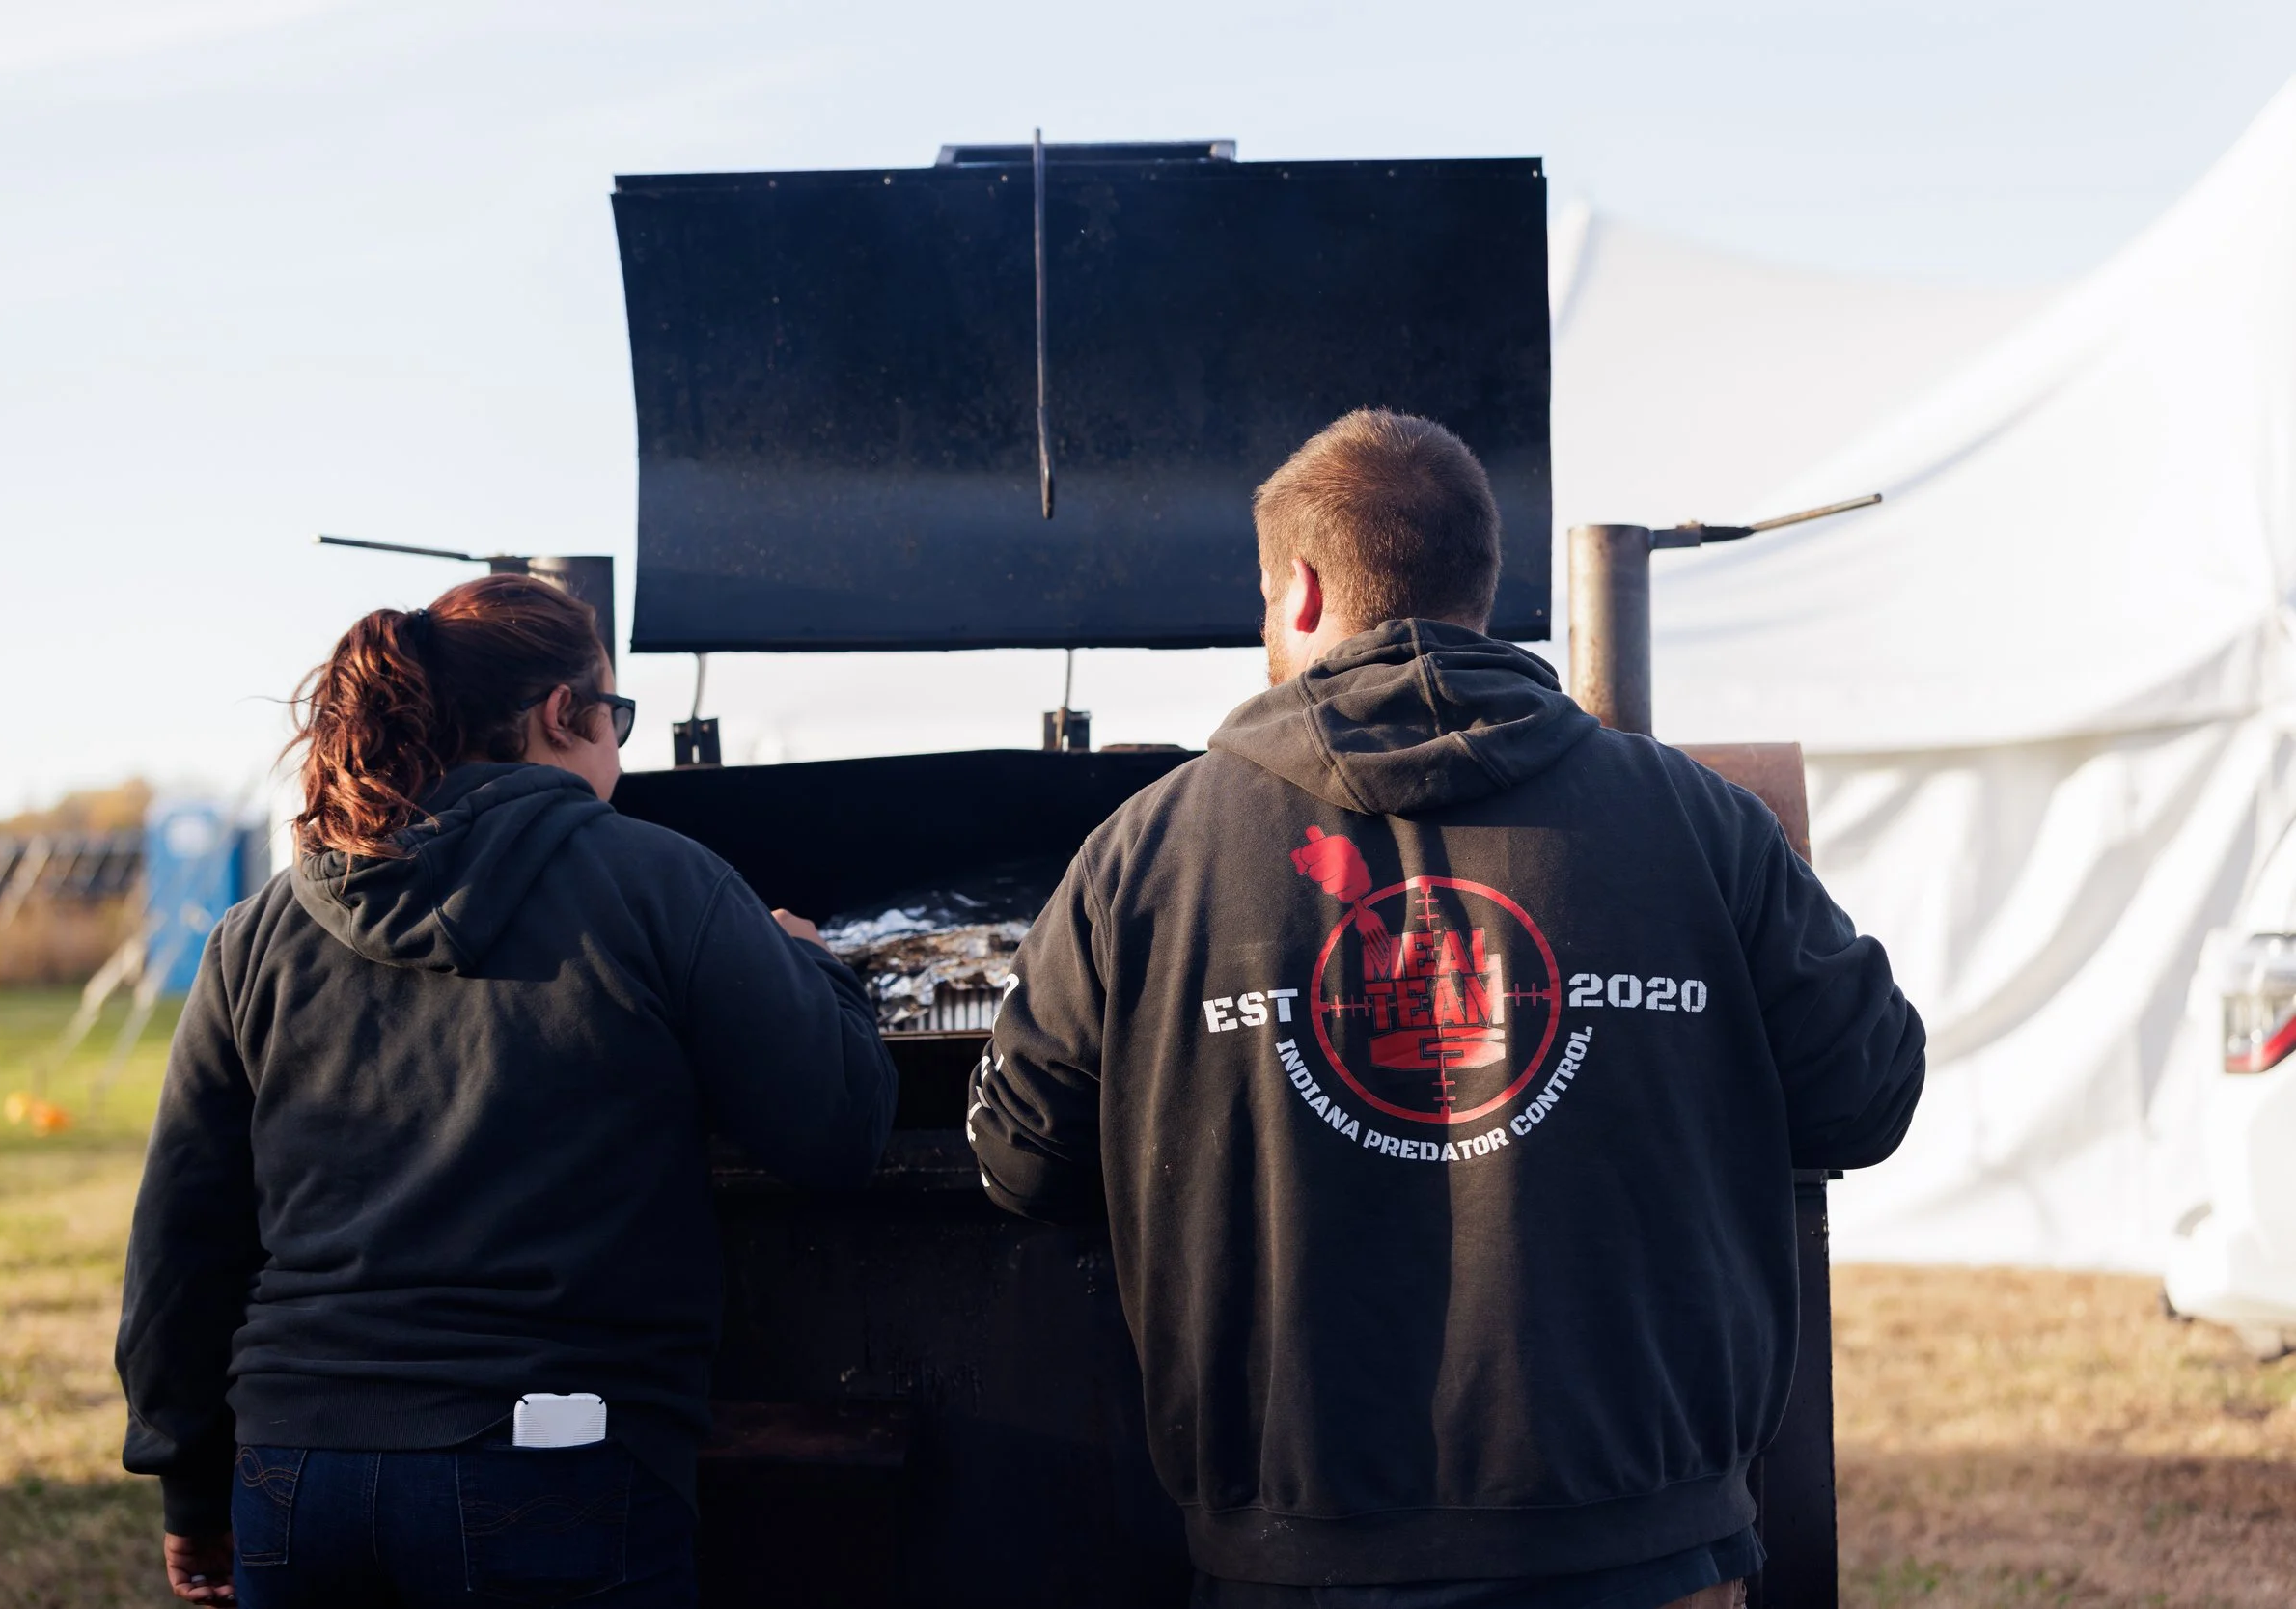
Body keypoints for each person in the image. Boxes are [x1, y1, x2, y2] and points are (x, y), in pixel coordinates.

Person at [968, 409, 1925, 1608]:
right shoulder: (1703, 823)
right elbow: (1871, 1091)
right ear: (1481, 583)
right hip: (1643, 1555)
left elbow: (1020, 1156)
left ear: (1301, 590)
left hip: (1293, 1564)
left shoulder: (1144, 855)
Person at [117, 573, 897, 1607]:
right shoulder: (662, 880)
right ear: (560, 715)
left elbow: (183, 1233)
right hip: (556, 1463)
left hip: (296, 1474)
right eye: (614, 715)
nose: (618, 742)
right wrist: (810, 964)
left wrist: (186, 1476)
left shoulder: (257, 929)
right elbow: (837, 1126)